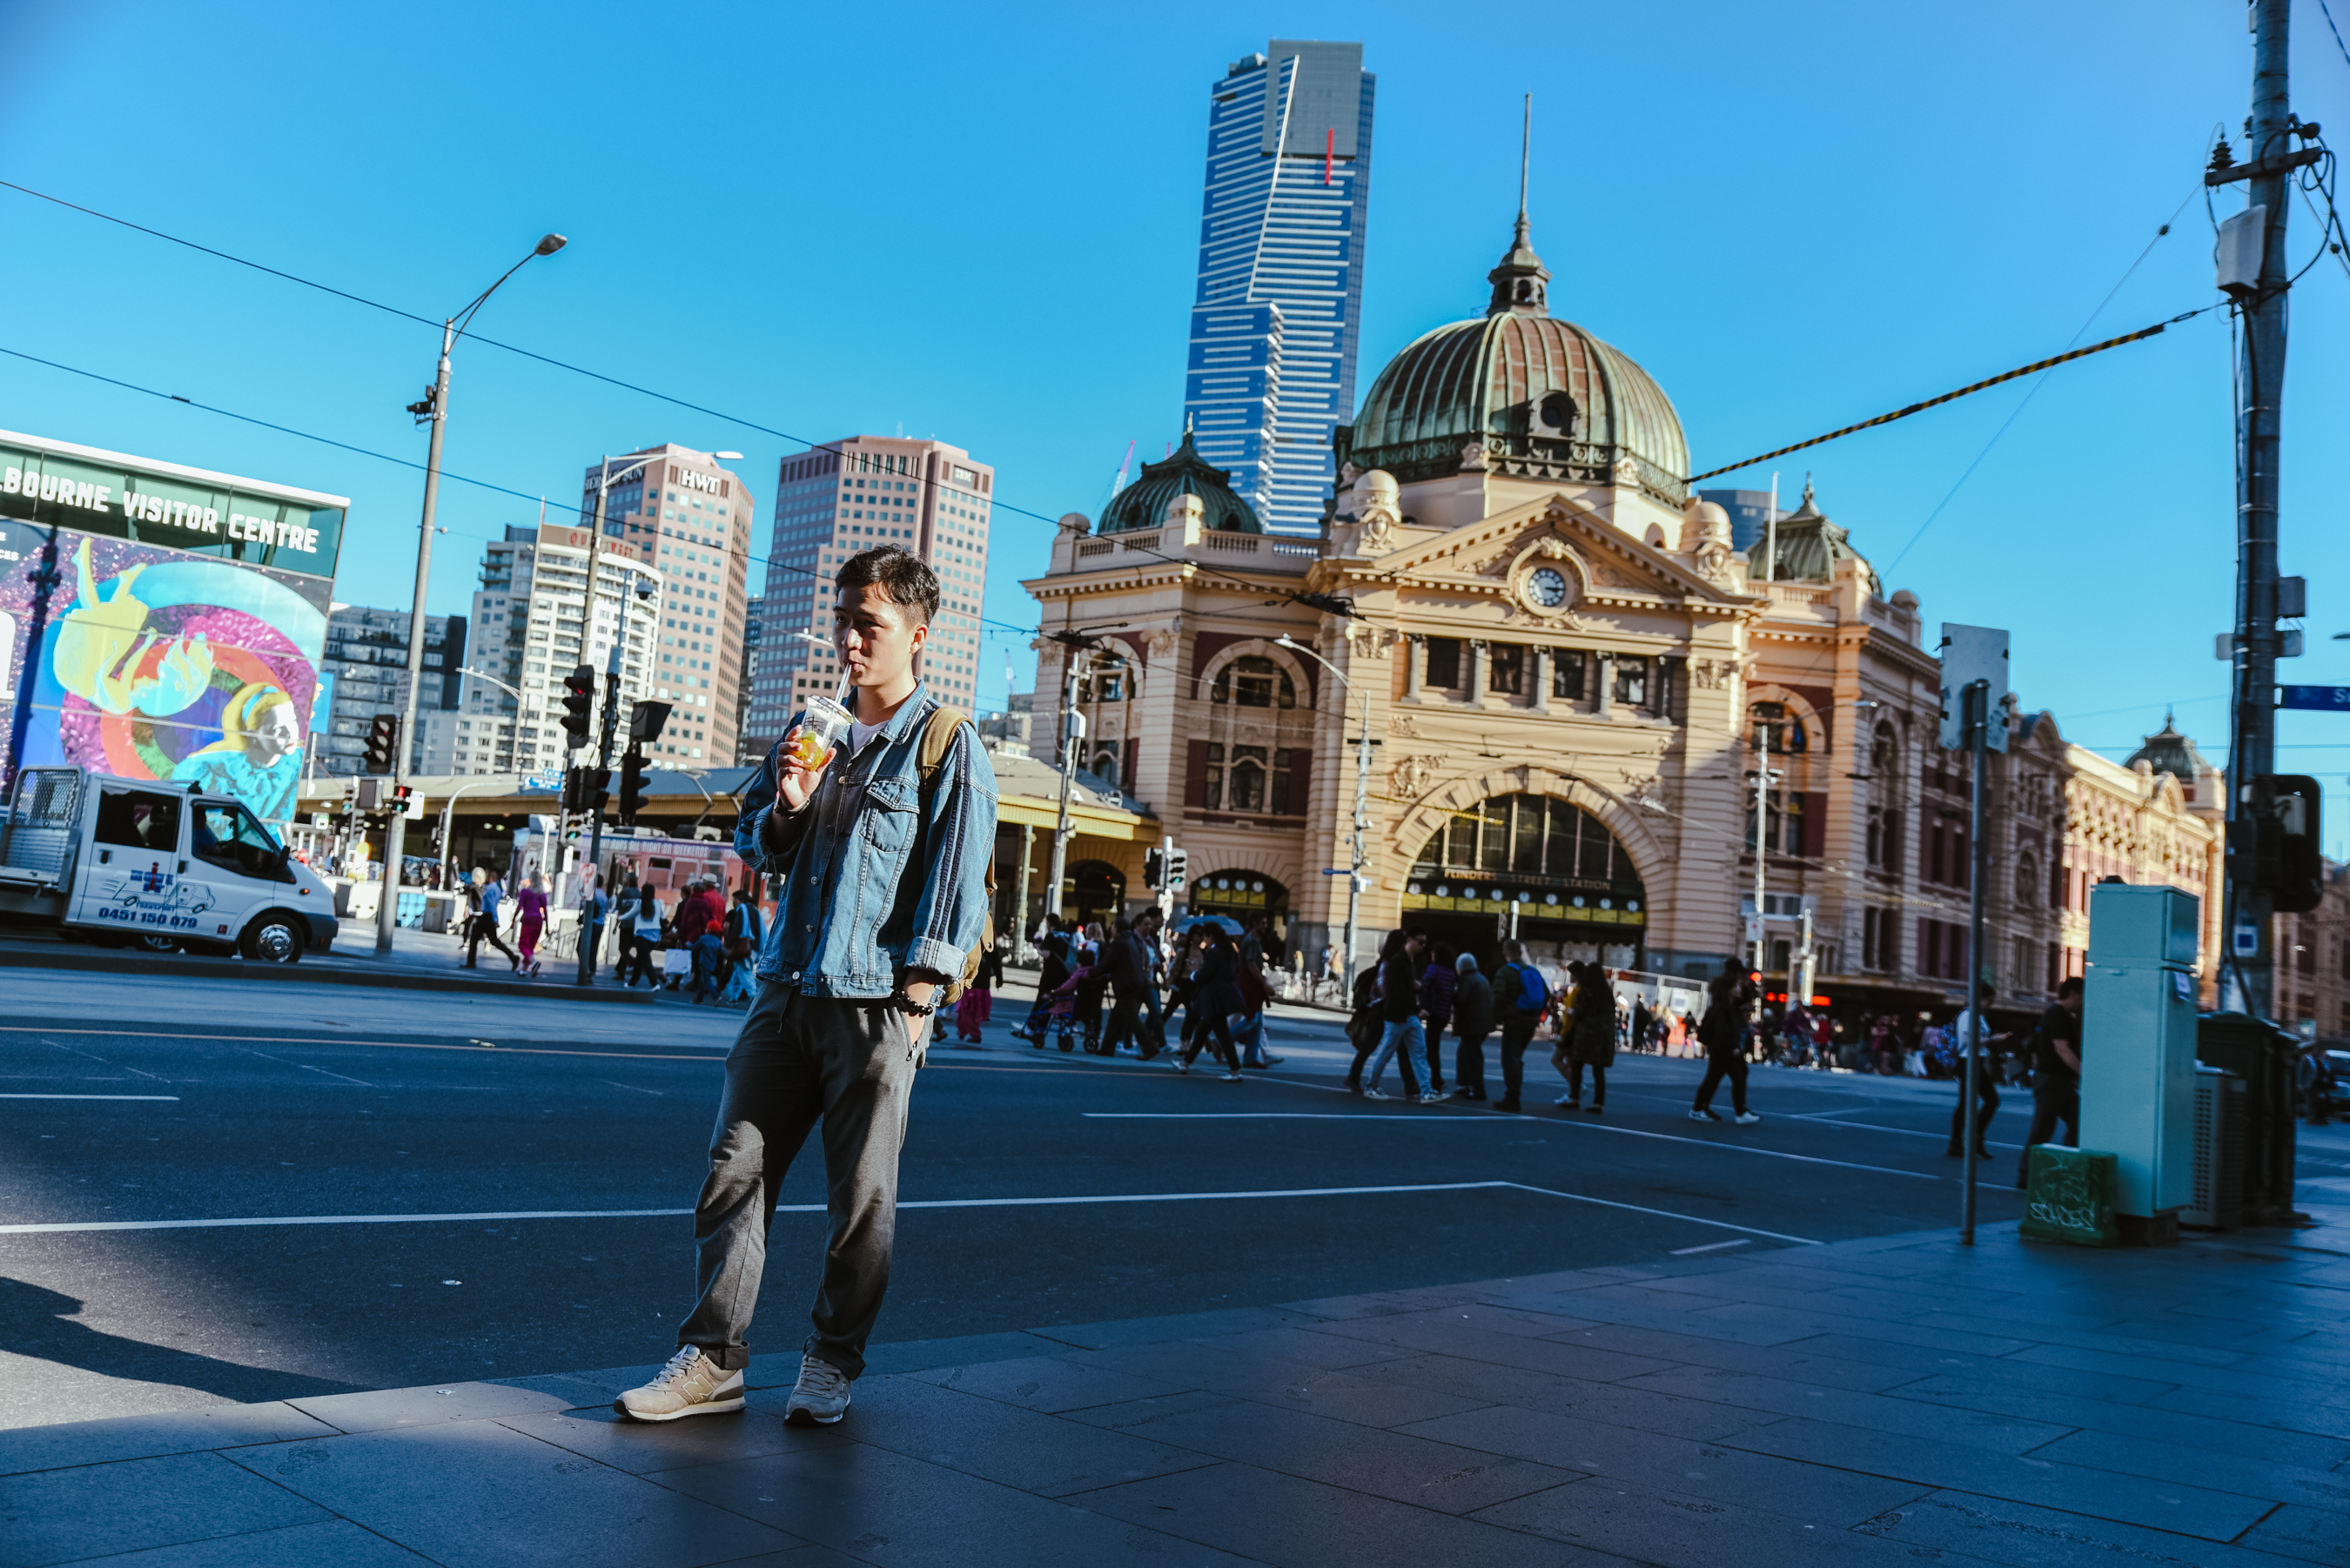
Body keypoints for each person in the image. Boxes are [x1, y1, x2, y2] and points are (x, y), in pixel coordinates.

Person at [616, 544, 996, 1428]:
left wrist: (918, 996)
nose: (850, 639)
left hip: (875, 1003)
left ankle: (830, 1360)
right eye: (843, 620)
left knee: (860, 1204)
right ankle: (713, 1358)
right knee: (732, 1172)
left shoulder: (945, 744)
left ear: (917, 635)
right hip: (784, 988)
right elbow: (756, 843)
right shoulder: (812, 725)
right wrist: (789, 797)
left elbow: (955, 877)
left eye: (870, 623)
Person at [2017, 975, 2084, 1187]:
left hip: (2058, 1080)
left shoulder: (2065, 1014)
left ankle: (2062, 1167)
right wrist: (2084, 1073)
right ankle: (2027, 1176)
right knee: (2044, 1128)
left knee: (2071, 1124)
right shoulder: (2057, 1014)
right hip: (2052, 1080)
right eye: (2083, 995)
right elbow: (2062, 1049)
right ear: (2073, 994)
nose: (2085, 1001)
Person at [1361, 928, 1431, 1102]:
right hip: (1397, 1015)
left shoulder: (1407, 961)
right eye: (1420, 941)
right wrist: (1416, 1008)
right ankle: (1371, 1085)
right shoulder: (1398, 961)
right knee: (1387, 1051)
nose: (1423, 946)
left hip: (1407, 1015)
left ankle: (1426, 1090)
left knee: (1419, 1052)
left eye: (1424, 942)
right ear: (1410, 940)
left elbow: (1405, 989)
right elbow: (1400, 991)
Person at [1691, 958, 1762, 1124]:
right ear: (1731, 989)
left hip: (1723, 1047)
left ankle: (1702, 1108)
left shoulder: (1727, 1005)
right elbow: (1723, 1031)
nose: (1739, 988)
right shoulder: (1724, 1009)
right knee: (1733, 1075)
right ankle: (1738, 1112)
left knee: (1719, 1076)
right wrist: (1733, 1047)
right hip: (1723, 1048)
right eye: (1737, 986)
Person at [1178, 928, 1247, 1081]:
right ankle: (1185, 1063)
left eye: (1206, 937)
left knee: (1222, 1035)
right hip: (1223, 996)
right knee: (1202, 1031)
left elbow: (1205, 975)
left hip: (1214, 998)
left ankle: (1235, 1070)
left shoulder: (1214, 953)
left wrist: (1194, 974)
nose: (1204, 940)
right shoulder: (1229, 952)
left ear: (1212, 936)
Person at [1946, 982, 2006, 1159]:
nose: (1991, 1004)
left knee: (1983, 1101)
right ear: (1980, 999)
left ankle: (1969, 1139)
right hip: (1968, 1061)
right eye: (1989, 1000)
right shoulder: (1968, 1015)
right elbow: (1968, 1040)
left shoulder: (1979, 1016)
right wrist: (1993, 1039)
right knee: (1975, 1102)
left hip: (1976, 1061)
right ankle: (1962, 1141)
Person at [1489, 939, 1548, 1112]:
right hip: (1530, 1022)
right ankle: (1513, 1094)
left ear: (1505, 952)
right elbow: (1545, 994)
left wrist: (1495, 1019)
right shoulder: (1533, 971)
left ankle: (1512, 1097)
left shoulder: (1505, 972)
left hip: (1514, 1021)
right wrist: (1536, 1014)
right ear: (1521, 953)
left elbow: (1498, 998)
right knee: (1517, 1059)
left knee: (1510, 1060)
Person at [1098, 908, 1162, 1058]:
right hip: (1136, 983)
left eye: (1113, 926)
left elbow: (1108, 962)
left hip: (1127, 984)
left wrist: (1091, 973)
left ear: (1117, 929)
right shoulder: (1133, 940)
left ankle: (1149, 1047)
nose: (1111, 929)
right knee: (1117, 1017)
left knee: (1132, 1017)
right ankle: (1107, 1048)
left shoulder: (1122, 941)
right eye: (1146, 924)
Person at [1558, 961, 1615, 1114]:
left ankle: (1574, 1099)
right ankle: (1598, 1103)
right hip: (1604, 1037)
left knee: (1577, 1066)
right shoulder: (1607, 993)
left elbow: (1579, 1012)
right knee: (1598, 1070)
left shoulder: (1586, 991)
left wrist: (1570, 1011)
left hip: (1586, 1035)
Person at [1449, 952, 1494, 1101]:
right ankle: (1466, 1084)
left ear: (1460, 967)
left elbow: (1461, 998)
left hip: (1470, 1024)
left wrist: (1450, 993)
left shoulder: (1466, 979)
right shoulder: (1482, 979)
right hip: (1482, 1024)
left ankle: (1477, 1089)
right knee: (1466, 1052)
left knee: (1471, 1056)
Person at [463, 867, 520, 970]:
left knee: (474, 937)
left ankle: (471, 961)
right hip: (490, 917)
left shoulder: (489, 889)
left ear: (490, 879)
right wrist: (495, 919)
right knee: (494, 941)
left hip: (486, 916)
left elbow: (491, 905)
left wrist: (494, 919)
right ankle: (512, 957)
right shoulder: (498, 889)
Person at [1419, 945, 1455, 1097]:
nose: (1432, 955)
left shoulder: (1433, 969)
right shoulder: (1451, 972)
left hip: (1433, 1011)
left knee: (1431, 1048)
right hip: (1444, 1013)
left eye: (1434, 953)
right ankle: (1437, 1078)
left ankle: (1435, 1079)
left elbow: (1425, 985)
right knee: (1435, 1045)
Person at [956, 937, 1004, 1045]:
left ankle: (974, 1033)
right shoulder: (990, 941)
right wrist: (999, 978)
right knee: (967, 1011)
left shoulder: (972, 937)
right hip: (981, 983)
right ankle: (963, 1031)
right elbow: (996, 961)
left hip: (972, 982)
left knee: (967, 1011)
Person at [620, 881, 668, 988]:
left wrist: (619, 917)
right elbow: (661, 919)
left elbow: (630, 915)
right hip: (654, 937)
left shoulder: (640, 903)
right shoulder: (658, 903)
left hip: (641, 936)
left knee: (646, 961)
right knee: (640, 960)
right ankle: (632, 983)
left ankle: (654, 983)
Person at [514, 874, 549, 978]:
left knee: (522, 945)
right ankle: (524, 970)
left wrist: (513, 919)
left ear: (530, 879)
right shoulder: (542, 894)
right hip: (539, 921)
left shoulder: (525, 892)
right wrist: (547, 925)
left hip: (528, 920)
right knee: (530, 946)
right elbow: (545, 911)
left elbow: (520, 906)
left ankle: (534, 963)